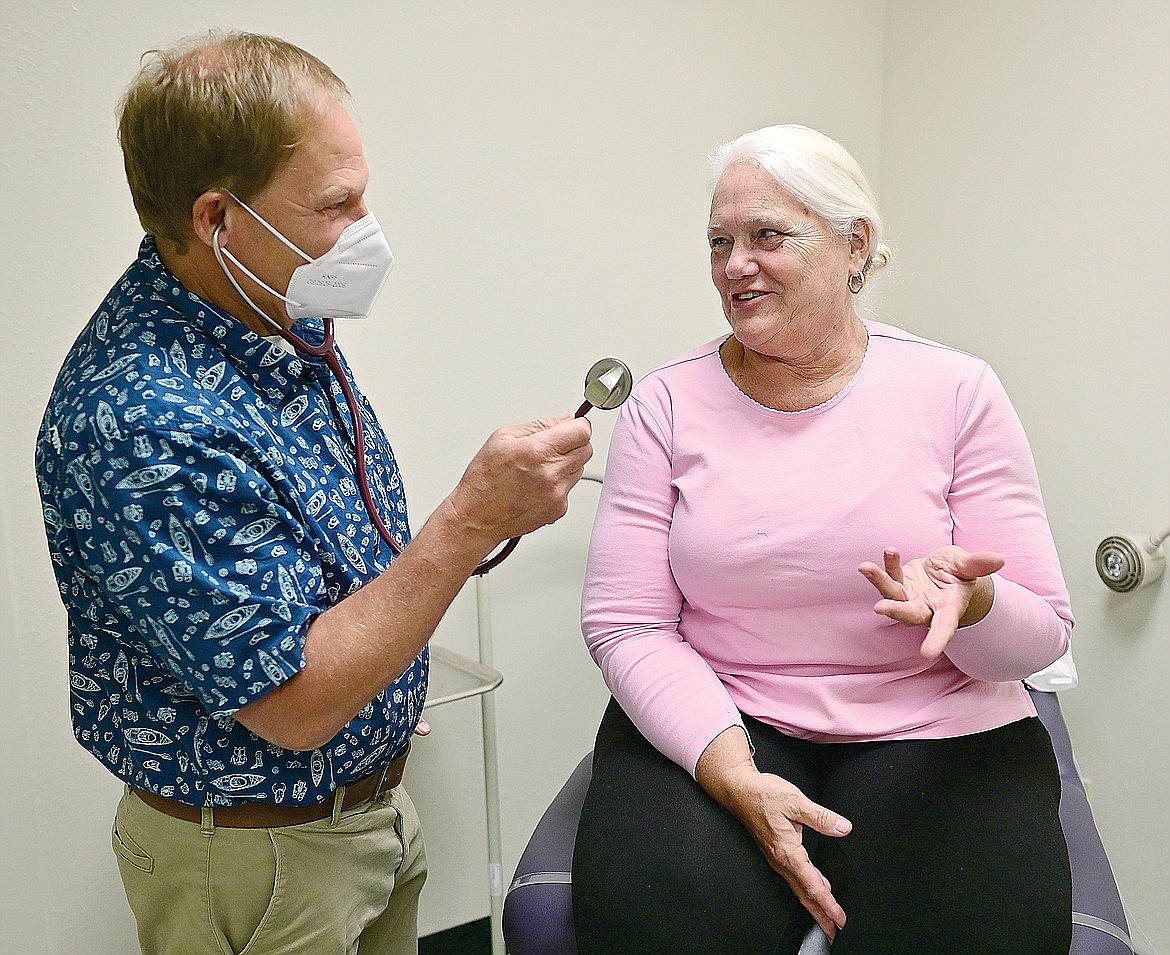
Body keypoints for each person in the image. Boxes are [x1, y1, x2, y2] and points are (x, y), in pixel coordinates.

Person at [35, 31, 592, 955]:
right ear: (218, 218)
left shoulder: (264, 308)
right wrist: (468, 522)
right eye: (336, 203)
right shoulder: (143, 422)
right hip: (263, 867)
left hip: (364, 816)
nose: (367, 226)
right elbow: (291, 701)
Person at [572, 124, 1073, 954]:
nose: (736, 264)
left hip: (935, 719)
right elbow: (627, 623)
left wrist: (977, 602)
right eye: (719, 242)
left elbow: (1042, 633)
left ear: (855, 245)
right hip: (725, 712)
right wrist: (732, 773)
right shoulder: (665, 403)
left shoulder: (956, 390)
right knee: (657, 924)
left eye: (767, 235)